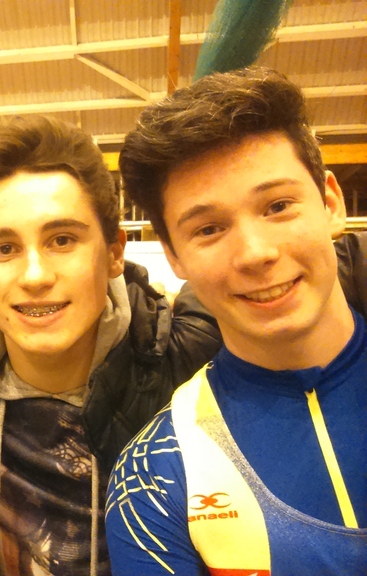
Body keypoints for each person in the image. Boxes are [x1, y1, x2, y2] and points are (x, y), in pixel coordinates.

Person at [0, 115, 228, 576]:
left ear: (114, 252)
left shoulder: (185, 359)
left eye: (62, 240)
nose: (35, 275)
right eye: (4, 249)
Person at [105, 68, 367, 574]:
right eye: (208, 229)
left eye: (278, 206)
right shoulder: (155, 478)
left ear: (331, 203)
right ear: (173, 256)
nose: (254, 253)